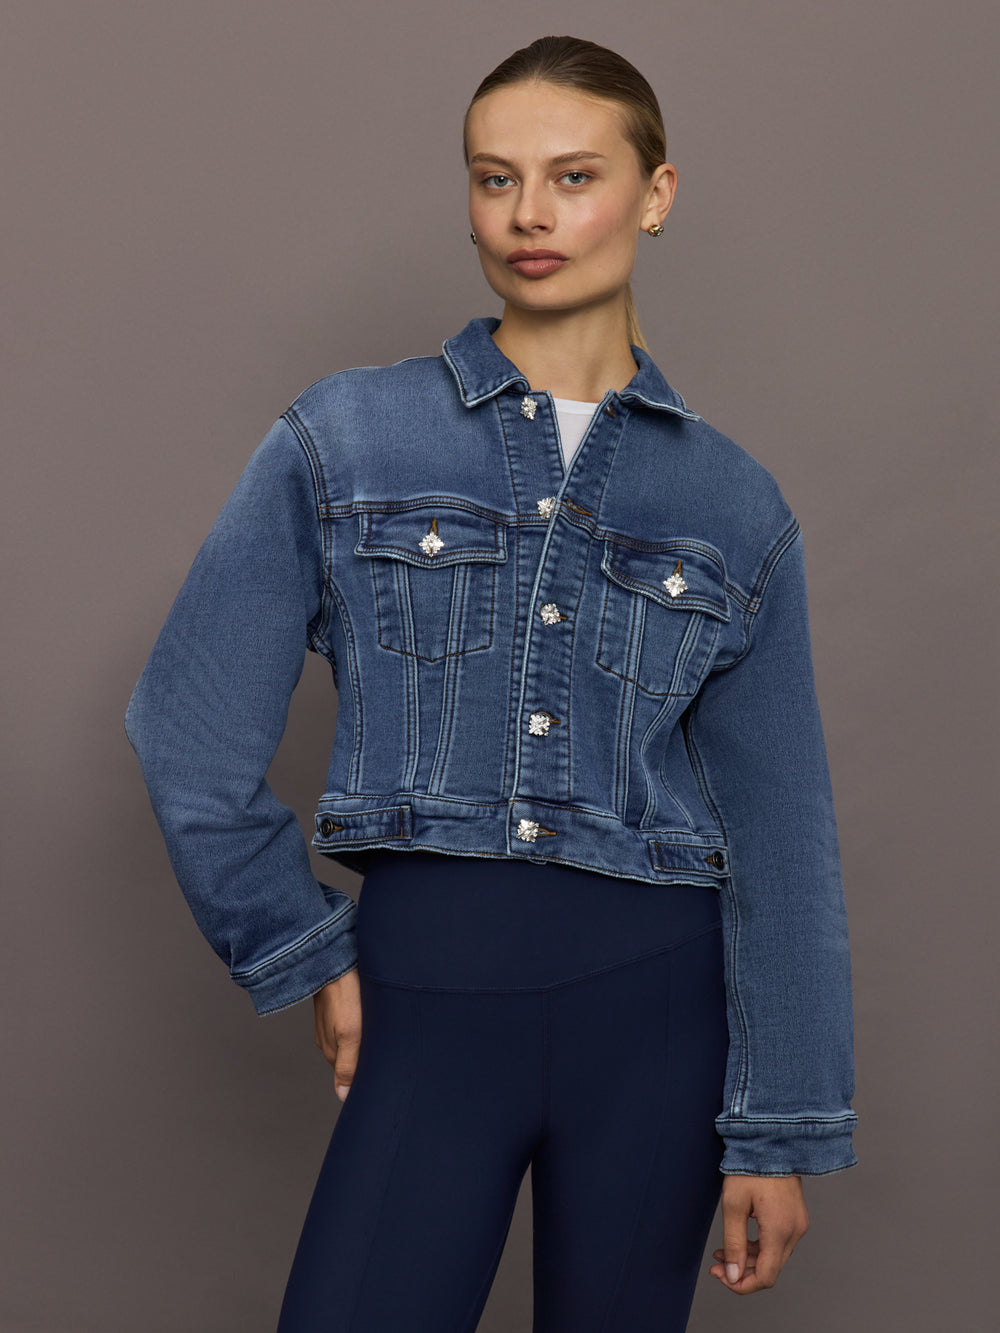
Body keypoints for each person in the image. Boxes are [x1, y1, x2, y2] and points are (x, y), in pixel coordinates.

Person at [125, 34, 857, 1333]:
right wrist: (300, 945)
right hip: (430, 990)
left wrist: (780, 1126)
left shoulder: (734, 505)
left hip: (661, 1010)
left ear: (657, 192)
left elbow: (782, 842)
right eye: (493, 178)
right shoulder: (346, 436)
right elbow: (184, 726)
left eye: (574, 176)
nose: (530, 215)